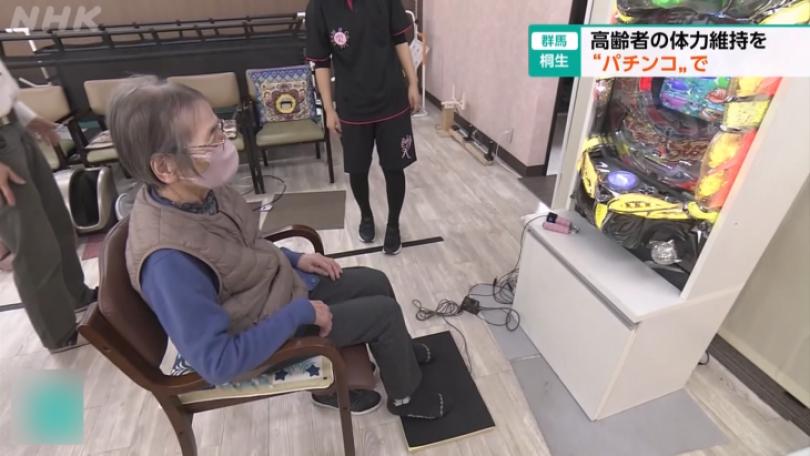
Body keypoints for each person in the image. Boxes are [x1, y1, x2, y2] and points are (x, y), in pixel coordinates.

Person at [109, 76, 449, 419]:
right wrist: (300, 314)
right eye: (211, 138)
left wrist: (296, 258)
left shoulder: (198, 191)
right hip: (258, 342)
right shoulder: (168, 262)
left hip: (272, 297)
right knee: (384, 315)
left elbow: (238, 250)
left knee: (376, 281)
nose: (225, 143)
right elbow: (219, 363)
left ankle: (401, 355)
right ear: (165, 167)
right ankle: (408, 400)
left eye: (220, 128)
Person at [305, 0, 421, 255]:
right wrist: (329, 109)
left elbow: (399, 40)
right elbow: (321, 63)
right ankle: (366, 216)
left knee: (394, 167)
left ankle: (393, 225)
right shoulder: (319, 7)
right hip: (351, 103)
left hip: (391, 97)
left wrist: (413, 82)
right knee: (357, 169)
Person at [0, 58, 97, 353]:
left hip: (12, 127)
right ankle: (59, 332)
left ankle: (76, 296)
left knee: (57, 224)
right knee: (33, 244)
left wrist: (28, 118)